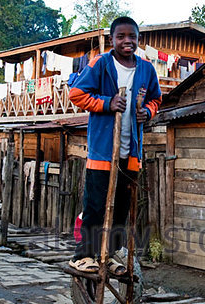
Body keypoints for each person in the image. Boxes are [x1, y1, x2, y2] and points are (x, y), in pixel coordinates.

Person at [68, 16, 161, 274]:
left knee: (121, 208)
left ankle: (108, 256)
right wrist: (107, 103)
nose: (127, 41)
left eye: (132, 37)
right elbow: (76, 93)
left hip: (130, 153)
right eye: (121, 37)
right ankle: (83, 256)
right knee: (97, 206)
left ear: (138, 40)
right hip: (102, 151)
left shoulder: (146, 69)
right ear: (112, 40)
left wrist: (148, 113)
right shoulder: (101, 64)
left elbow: (156, 99)